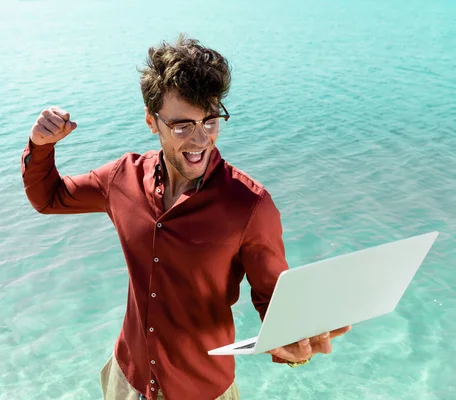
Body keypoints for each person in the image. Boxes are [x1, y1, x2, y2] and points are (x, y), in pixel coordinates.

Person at [21, 34, 351, 400]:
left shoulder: (250, 205)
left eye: (209, 122)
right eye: (182, 126)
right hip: (126, 382)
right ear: (152, 122)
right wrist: (41, 146)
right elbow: (49, 198)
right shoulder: (121, 178)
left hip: (204, 391)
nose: (199, 140)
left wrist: (292, 346)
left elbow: (273, 299)